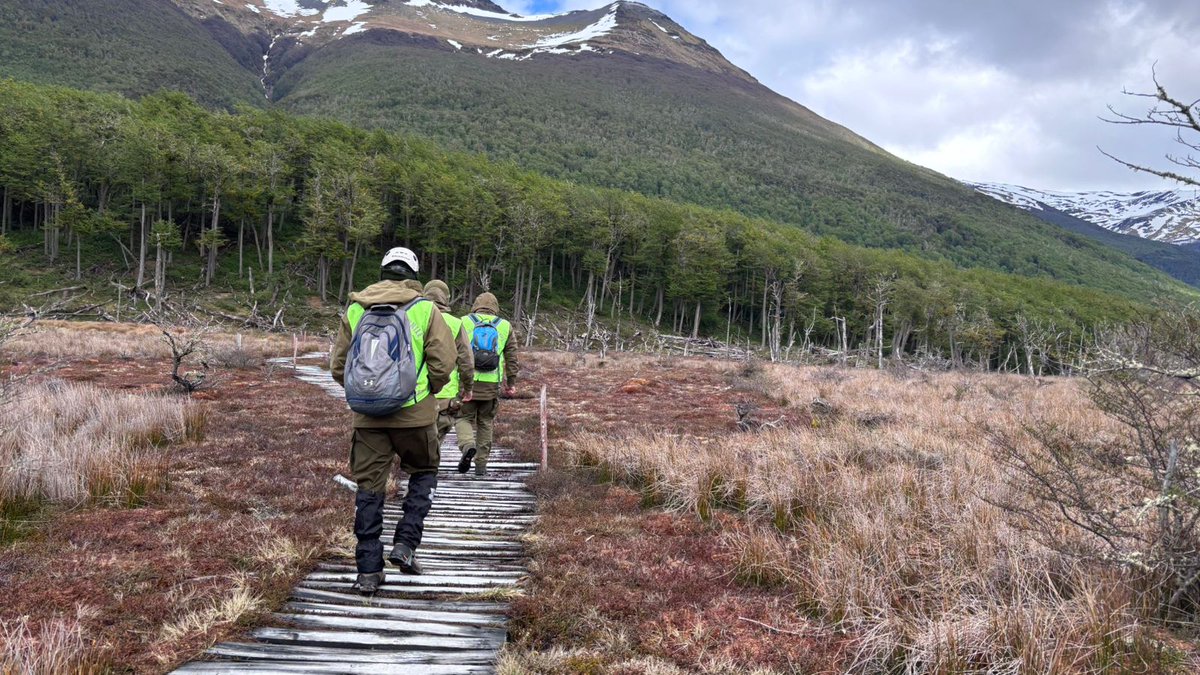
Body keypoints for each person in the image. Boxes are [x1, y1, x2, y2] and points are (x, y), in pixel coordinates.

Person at [330, 247, 456, 595]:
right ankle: (405, 544)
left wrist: (366, 395)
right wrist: (423, 393)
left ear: (383, 270)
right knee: (424, 472)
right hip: (415, 416)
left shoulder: (356, 308)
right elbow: (444, 363)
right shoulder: (425, 309)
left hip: (368, 419)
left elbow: (338, 367)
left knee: (369, 491)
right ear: (412, 274)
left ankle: (368, 571)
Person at [456, 292, 520, 476]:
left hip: (468, 383)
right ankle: (481, 465)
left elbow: (454, 351)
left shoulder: (464, 322)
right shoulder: (505, 326)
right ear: (495, 307)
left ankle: (467, 445)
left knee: (463, 418)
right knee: (485, 422)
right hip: (491, 386)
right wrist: (511, 382)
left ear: (476, 305)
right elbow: (512, 357)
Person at [424, 279, 474, 445]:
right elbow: (466, 361)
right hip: (445, 395)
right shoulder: (455, 323)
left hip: (415, 394)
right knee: (436, 441)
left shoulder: (412, 317)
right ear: (446, 298)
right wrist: (468, 389)